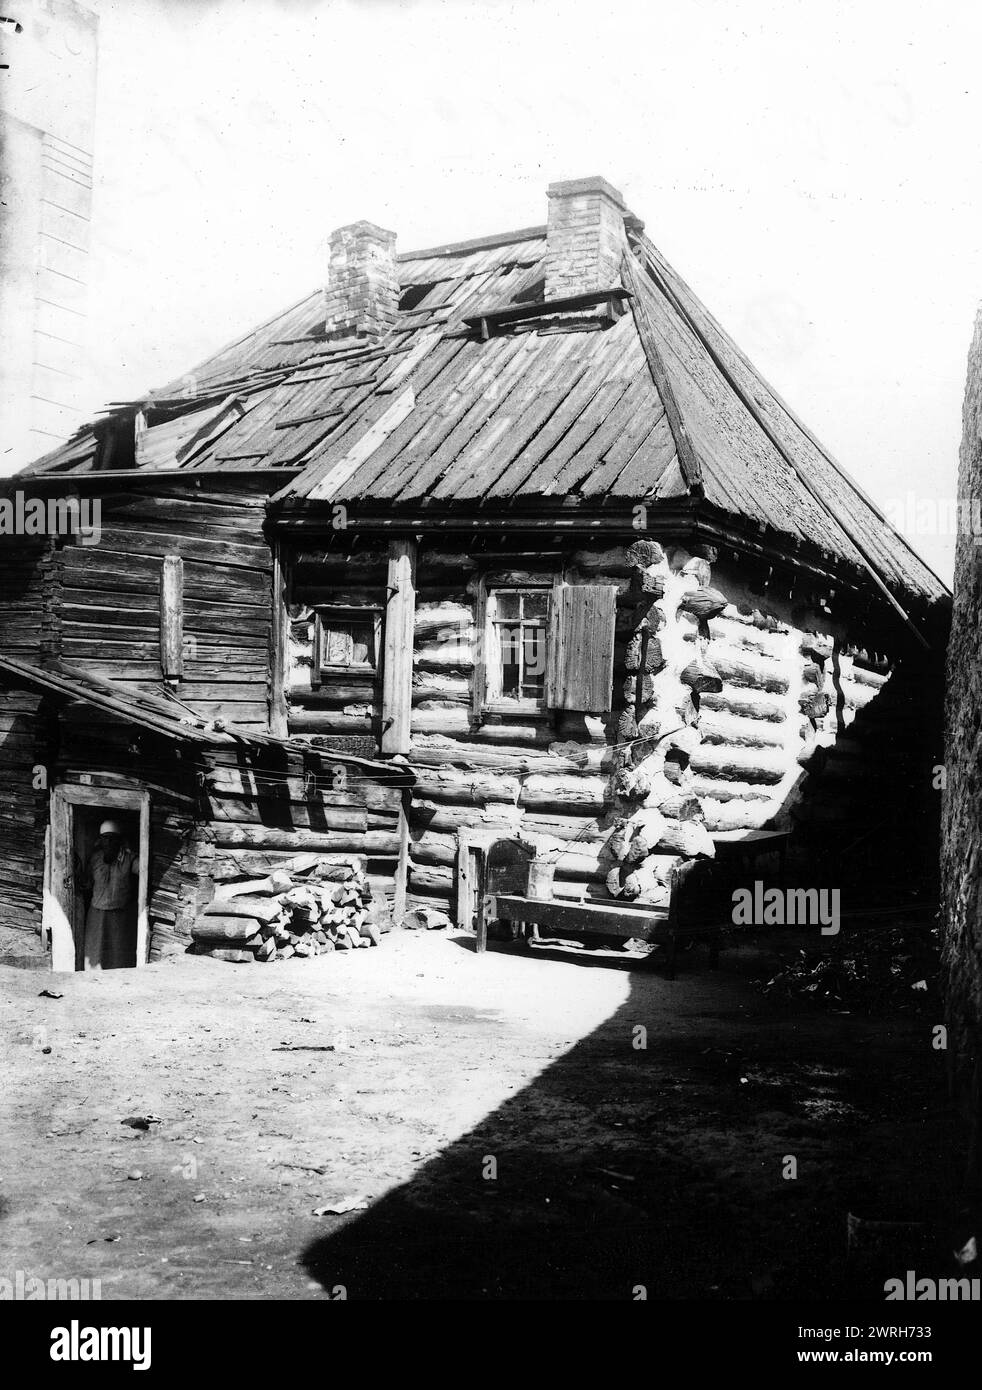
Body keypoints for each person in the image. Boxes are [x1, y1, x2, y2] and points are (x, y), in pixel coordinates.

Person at [81, 819, 139, 971]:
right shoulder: (95, 859)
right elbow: (87, 883)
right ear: (100, 841)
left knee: (117, 953)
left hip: (119, 914)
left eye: (112, 838)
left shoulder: (129, 858)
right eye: (105, 838)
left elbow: (142, 870)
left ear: (119, 840)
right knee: (95, 952)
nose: (109, 842)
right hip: (97, 914)